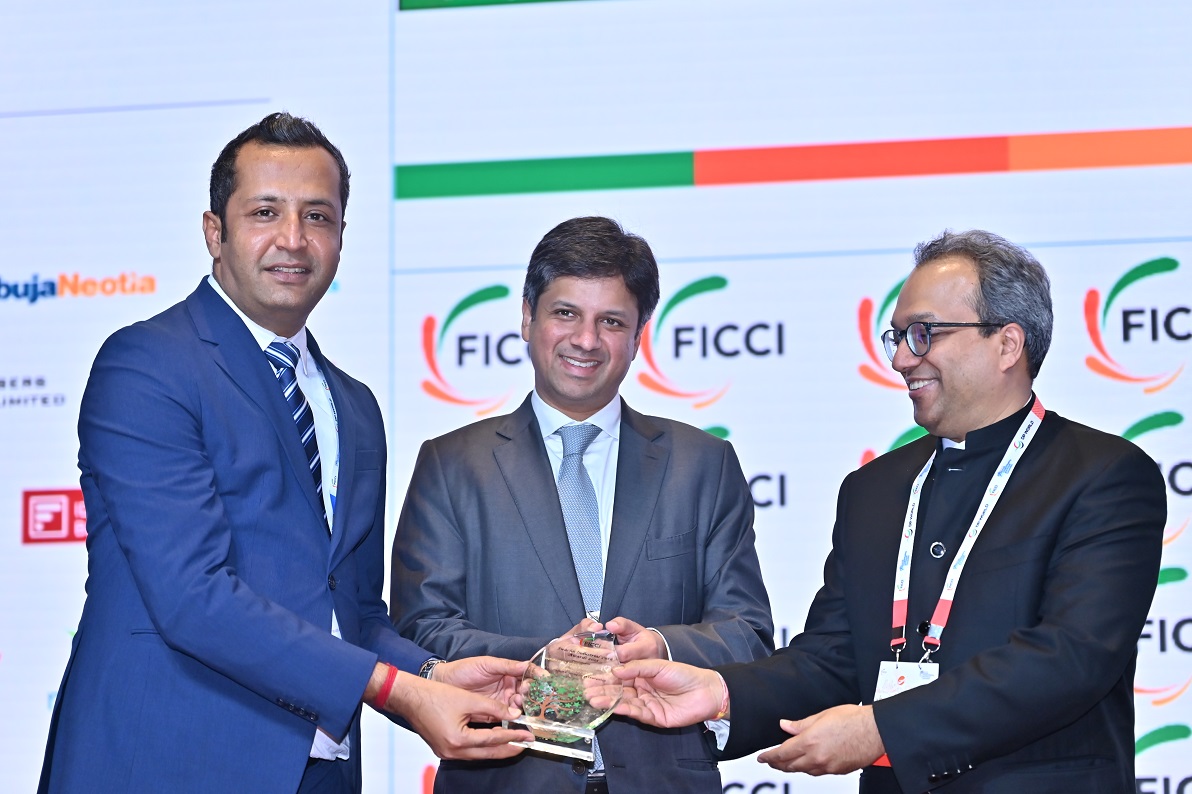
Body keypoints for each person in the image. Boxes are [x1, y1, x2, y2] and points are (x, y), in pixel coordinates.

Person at [38, 112, 533, 794]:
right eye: (265, 212)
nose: (294, 240)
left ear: (341, 238)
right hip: (165, 762)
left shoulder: (354, 405)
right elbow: (193, 596)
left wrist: (432, 674)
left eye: (317, 217)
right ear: (215, 232)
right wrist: (397, 689)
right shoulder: (147, 365)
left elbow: (351, 610)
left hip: (320, 773)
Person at [604, 230, 1167, 793]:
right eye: (897, 337)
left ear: (1007, 344)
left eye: (924, 334)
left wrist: (882, 729)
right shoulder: (874, 490)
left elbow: (1069, 658)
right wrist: (721, 693)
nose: (900, 359)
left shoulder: (1103, 476)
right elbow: (832, 657)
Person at [391, 216, 774, 793]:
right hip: (505, 777)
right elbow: (421, 630)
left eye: (611, 321)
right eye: (566, 313)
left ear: (638, 337)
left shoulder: (702, 465)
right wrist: (550, 660)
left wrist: (661, 645)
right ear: (527, 317)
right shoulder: (451, 465)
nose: (586, 340)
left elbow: (747, 631)